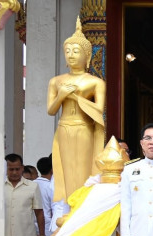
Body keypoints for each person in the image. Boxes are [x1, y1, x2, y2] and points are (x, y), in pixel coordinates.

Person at [47, 17, 106, 202]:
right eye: (68, 51)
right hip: (64, 126)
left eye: (76, 51)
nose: (71, 55)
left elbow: (98, 109)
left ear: (87, 56)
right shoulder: (56, 81)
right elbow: (51, 110)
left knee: (82, 168)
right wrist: (61, 96)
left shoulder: (95, 82)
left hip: (83, 127)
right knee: (66, 169)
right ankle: (70, 206)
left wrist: (75, 97)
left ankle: (81, 206)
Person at [4, 153, 45, 236]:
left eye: (17, 169)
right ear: (5, 169)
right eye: (11, 169)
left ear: (22, 168)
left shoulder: (33, 186)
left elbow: (39, 213)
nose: (14, 172)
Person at [35, 157, 54, 236]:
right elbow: (53, 210)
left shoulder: (32, 184)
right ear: (52, 170)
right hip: (48, 229)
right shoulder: (51, 187)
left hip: (33, 229)